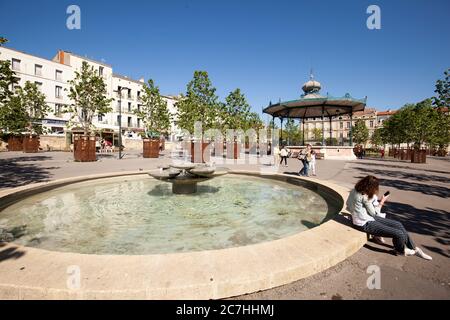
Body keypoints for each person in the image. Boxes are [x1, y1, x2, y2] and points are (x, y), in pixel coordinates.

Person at [346, 175, 432, 260]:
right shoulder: (365, 197)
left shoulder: (354, 191)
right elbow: (374, 213)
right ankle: (400, 250)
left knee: (398, 224)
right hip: (364, 223)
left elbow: (348, 204)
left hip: (365, 218)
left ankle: (414, 249)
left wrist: (357, 212)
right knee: (398, 233)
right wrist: (382, 201)